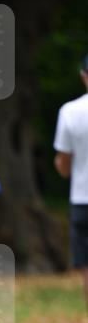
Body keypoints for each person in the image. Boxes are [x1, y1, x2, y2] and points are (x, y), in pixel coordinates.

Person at [54, 54, 88, 308]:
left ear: (83, 76)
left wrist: (62, 168)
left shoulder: (71, 111)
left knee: (85, 264)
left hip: (82, 196)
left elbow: (64, 164)